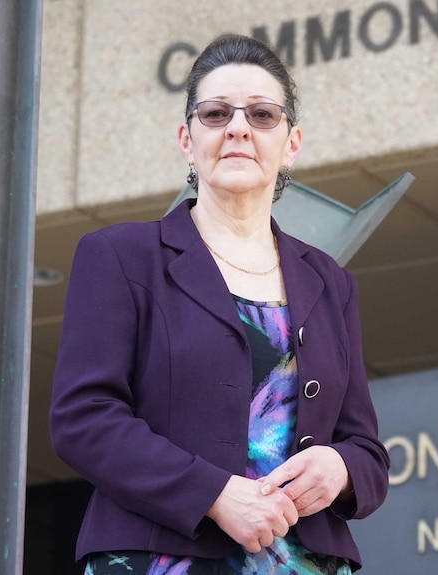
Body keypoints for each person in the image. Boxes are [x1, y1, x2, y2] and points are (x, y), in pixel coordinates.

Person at [49, 34, 390, 574]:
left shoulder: (331, 282)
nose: (237, 128)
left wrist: (339, 467)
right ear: (187, 139)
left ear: (292, 143)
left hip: (303, 562)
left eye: (261, 114)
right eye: (215, 114)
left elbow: (367, 452)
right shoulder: (120, 256)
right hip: (156, 558)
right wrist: (213, 494)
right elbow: (83, 419)